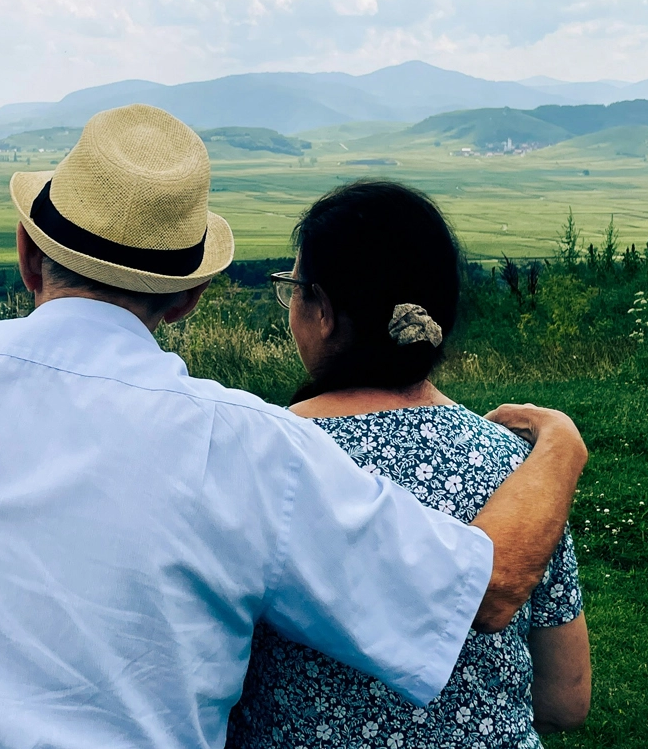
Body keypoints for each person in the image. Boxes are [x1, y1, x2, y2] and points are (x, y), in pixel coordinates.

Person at [0, 104, 587, 748]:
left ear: (29, 254)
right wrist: (560, 449)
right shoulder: (246, 451)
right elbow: (486, 588)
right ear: (186, 297)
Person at [228, 180, 591, 748]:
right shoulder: (528, 468)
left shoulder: (262, 455)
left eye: (294, 289)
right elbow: (565, 701)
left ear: (322, 311)